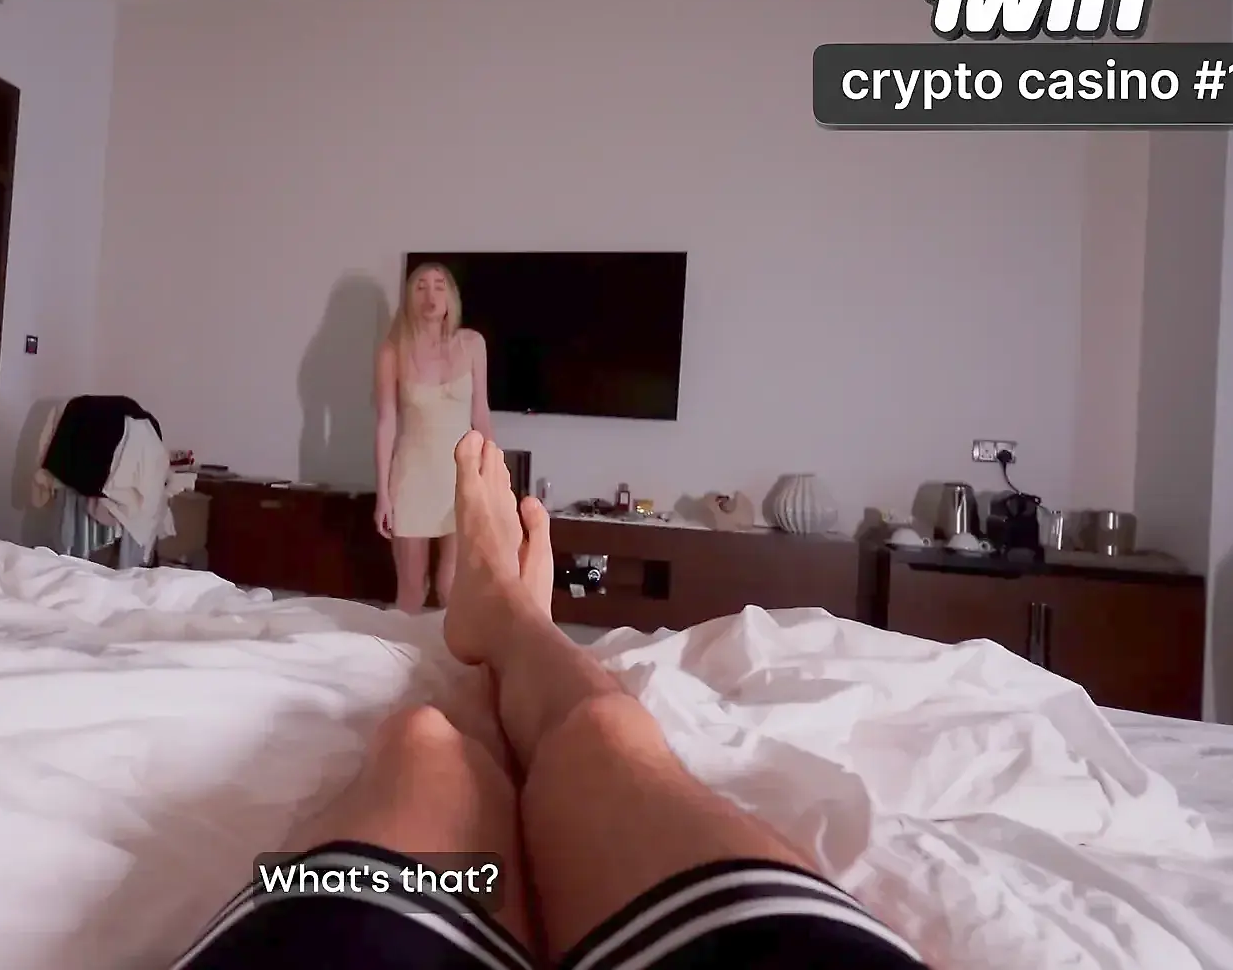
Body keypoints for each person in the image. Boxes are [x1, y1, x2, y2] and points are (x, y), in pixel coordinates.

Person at [171, 431, 930, 970]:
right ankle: (515, 623)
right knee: (606, 734)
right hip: (778, 942)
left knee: (421, 749)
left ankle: (492, 649)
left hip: (327, 936)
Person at [375, 263, 492, 613]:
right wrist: (383, 494)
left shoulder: (472, 344)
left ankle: (450, 650)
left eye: (439, 286)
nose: (430, 295)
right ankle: (399, 649)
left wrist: (491, 475)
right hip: (412, 479)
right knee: (412, 590)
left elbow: (481, 414)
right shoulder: (392, 352)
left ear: (451, 296)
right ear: (410, 297)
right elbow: (386, 422)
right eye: (421, 287)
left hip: (460, 479)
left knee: (451, 587)